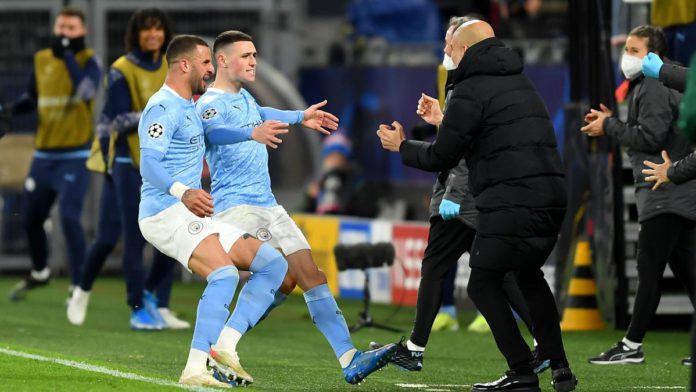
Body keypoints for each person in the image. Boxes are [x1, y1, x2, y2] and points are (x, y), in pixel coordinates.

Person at [377, 20, 577, 392]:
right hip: (550, 196)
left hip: (510, 200)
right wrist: (444, 120)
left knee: (483, 283)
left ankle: (521, 371)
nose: (447, 55)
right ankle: (560, 367)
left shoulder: (470, 87)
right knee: (529, 275)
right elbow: (490, 135)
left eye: (450, 49)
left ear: (466, 51)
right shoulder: (520, 81)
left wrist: (401, 147)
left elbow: (443, 155)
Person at [195, 30, 397, 386]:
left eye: (255, 54)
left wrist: (299, 116)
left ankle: (349, 359)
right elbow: (212, 133)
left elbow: (263, 111)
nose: (253, 61)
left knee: (307, 277)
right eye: (245, 55)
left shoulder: (245, 99)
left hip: (268, 205)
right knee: (279, 274)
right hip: (237, 208)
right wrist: (251, 134)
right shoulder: (210, 102)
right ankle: (222, 346)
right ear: (222, 61)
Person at [136, 34, 290, 387]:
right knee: (224, 275)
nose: (211, 70)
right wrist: (184, 191)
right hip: (164, 213)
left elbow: (216, 131)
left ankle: (224, 345)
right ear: (185, 64)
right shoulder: (161, 107)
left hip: (189, 212)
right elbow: (149, 165)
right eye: (206, 63)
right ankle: (194, 368)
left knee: (273, 264)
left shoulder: (190, 106)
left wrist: (257, 130)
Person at [67, 8, 188, 331]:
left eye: (158, 29)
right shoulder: (120, 70)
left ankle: (155, 301)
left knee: (175, 234)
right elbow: (117, 121)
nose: (153, 35)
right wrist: (160, 112)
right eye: (146, 29)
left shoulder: (173, 66)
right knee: (125, 237)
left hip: (165, 163)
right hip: (125, 161)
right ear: (135, 34)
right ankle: (101, 296)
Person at [582, 25, 696, 367]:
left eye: (635, 50)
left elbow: (651, 137)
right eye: (627, 48)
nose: (627, 55)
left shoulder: (654, 85)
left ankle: (631, 345)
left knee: (649, 268)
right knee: (688, 269)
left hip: (664, 189)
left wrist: (610, 126)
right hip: (676, 190)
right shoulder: (664, 84)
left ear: (654, 56)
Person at [7, 7, 102, 301]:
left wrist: (69, 57)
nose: (64, 34)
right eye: (61, 28)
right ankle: (40, 271)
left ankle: (78, 286)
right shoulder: (41, 59)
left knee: (69, 218)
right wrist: (8, 111)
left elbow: (86, 93)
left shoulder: (89, 61)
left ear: (82, 32)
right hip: (44, 155)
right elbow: (32, 98)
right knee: (31, 219)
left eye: (71, 29)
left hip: (75, 153)